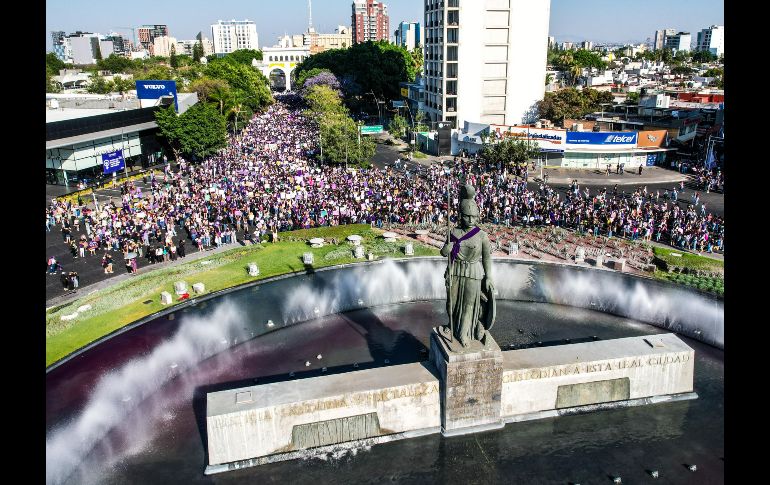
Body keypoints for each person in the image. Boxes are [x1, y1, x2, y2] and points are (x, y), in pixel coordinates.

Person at [438, 183, 496, 348]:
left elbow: (486, 258)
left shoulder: (482, 236)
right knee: (452, 303)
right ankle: (451, 326)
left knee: (468, 306)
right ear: (460, 215)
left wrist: (489, 276)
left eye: (474, 217)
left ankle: (464, 333)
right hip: (455, 270)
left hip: (473, 272)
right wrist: (446, 249)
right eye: (467, 216)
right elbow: (444, 253)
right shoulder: (453, 233)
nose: (471, 220)